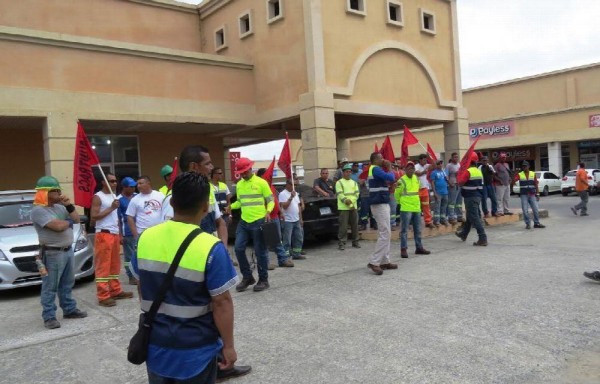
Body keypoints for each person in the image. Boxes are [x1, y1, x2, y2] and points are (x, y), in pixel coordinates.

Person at [131, 172, 240, 384]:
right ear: (205, 207)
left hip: (156, 346)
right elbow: (222, 303)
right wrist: (228, 346)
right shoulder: (211, 247)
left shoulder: (145, 238)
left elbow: (141, 286)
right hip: (196, 351)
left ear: (171, 202)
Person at [166, 146, 249, 380]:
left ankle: (221, 363)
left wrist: (220, 246)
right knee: (204, 314)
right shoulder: (175, 196)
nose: (213, 168)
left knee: (213, 314)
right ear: (195, 166)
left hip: (209, 257)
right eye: (209, 164)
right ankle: (213, 363)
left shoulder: (208, 191)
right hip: (188, 269)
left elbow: (218, 221)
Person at [30, 176, 88, 329]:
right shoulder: (38, 210)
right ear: (46, 193)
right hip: (52, 253)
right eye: (55, 190)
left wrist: (69, 205)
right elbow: (58, 226)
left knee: (67, 283)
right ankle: (49, 316)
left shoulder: (60, 207)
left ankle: (69, 310)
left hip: (67, 250)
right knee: (50, 286)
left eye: (58, 190)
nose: (59, 193)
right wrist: (68, 223)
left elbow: (76, 219)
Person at [231, 157, 274, 292]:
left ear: (250, 169)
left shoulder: (261, 182)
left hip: (259, 221)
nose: (243, 175)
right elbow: (240, 202)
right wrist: (230, 206)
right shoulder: (239, 185)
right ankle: (247, 277)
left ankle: (263, 280)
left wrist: (268, 211)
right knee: (238, 248)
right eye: (241, 173)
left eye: (245, 172)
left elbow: (271, 200)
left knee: (260, 252)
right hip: (244, 222)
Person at [91, 173, 134, 306]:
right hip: (104, 234)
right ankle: (103, 295)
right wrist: (111, 208)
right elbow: (94, 216)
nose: (115, 183)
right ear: (104, 182)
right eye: (112, 181)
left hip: (114, 233)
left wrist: (120, 234)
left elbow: (118, 218)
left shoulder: (113, 196)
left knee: (115, 265)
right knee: (103, 266)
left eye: (116, 181)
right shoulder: (98, 197)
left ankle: (115, 290)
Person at [256, 168, 294, 268]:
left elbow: (275, 201)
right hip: (265, 217)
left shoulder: (271, 186)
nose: (269, 177)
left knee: (277, 240)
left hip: (275, 216)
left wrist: (280, 212)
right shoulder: (259, 186)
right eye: (267, 175)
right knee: (265, 241)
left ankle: (282, 260)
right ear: (260, 176)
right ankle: (266, 263)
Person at [367, 152, 397, 275]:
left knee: (385, 232)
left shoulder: (376, 170)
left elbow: (387, 182)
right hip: (379, 204)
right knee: (385, 233)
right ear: (375, 160)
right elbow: (390, 177)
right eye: (381, 158)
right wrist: (389, 167)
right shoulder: (376, 169)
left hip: (382, 202)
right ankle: (374, 262)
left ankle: (385, 261)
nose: (383, 160)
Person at [395, 162, 430, 258]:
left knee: (418, 229)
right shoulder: (401, 180)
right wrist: (401, 202)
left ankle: (419, 248)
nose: (411, 170)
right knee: (404, 230)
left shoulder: (416, 179)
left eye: (412, 168)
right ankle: (403, 249)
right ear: (405, 170)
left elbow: (416, 192)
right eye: (409, 168)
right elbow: (396, 194)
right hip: (406, 208)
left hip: (416, 208)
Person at [456, 153, 488, 246]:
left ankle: (482, 237)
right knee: (470, 216)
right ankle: (464, 234)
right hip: (477, 196)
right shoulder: (478, 171)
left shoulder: (468, 171)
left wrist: (459, 175)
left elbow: (461, 183)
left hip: (470, 197)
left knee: (474, 217)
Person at [126, 176, 165, 240]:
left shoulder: (160, 195)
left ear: (148, 183)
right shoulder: (135, 199)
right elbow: (129, 217)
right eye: (137, 184)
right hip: (143, 234)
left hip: (159, 232)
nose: (138, 186)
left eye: (141, 183)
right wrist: (135, 235)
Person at [117, 177, 138, 285]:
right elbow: (118, 219)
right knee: (129, 256)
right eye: (131, 187)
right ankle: (130, 276)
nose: (134, 188)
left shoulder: (136, 197)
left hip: (138, 229)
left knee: (138, 254)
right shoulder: (119, 200)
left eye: (134, 186)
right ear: (124, 187)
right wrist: (120, 235)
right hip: (127, 232)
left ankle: (137, 274)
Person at [514, 161, 546, 229]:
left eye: (525, 166)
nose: (524, 167)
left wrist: (537, 194)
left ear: (529, 166)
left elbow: (536, 184)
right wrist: (515, 175)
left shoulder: (532, 174)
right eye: (523, 166)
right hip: (524, 195)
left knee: (535, 209)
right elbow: (513, 181)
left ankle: (536, 223)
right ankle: (528, 223)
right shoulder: (520, 174)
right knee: (525, 210)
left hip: (532, 194)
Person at [335, 163, 360, 250]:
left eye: (349, 171)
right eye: (347, 172)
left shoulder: (354, 183)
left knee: (355, 225)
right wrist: (346, 201)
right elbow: (339, 193)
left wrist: (351, 203)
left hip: (353, 207)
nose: (348, 173)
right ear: (343, 172)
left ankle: (355, 242)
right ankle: (342, 243)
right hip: (343, 207)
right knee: (343, 226)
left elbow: (357, 194)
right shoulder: (339, 182)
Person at [279, 179, 306, 260]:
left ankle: (296, 253)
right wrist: (291, 197)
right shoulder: (282, 194)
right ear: (287, 184)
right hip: (287, 220)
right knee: (287, 240)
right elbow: (284, 206)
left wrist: (300, 218)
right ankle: (286, 255)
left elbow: (298, 206)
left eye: (294, 185)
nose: (293, 186)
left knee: (299, 238)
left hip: (296, 219)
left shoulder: (295, 193)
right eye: (291, 184)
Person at [415, 154, 434, 228]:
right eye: (424, 160)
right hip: (416, 189)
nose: (425, 161)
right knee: (417, 207)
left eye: (426, 160)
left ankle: (428, 222)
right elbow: (418, 174)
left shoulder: (426, 165)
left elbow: (434, 166)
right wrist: (424, 171)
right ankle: (416, 222)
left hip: (425, 189)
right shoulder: (416, 166)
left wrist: (430, 158)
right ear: (420, 160)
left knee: (426, 206)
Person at [445, 152, 464, 224]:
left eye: (457, 157)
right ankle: (451, 217)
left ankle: (459, 216)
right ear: (452, 158)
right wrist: (449, 183)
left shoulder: (459, 165)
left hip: (459, 185)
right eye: (454, 157)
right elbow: (446, 176)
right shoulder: (449, 166)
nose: (456, 158)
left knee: (459, 202)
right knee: (452, 202)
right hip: (453, 185)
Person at [430, 160, 449, 226]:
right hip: (438, 192)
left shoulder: (444, 172)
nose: (440, 165)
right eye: (438, 164)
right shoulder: (433, 172)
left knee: (444, 207)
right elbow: (432, 183)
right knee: (437, 207)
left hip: (445, 192)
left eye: (441, 163)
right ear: (436, 165)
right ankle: (436, 220)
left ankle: (443, 219)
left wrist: (447, 179)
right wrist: (434, 192)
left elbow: (447, 180)